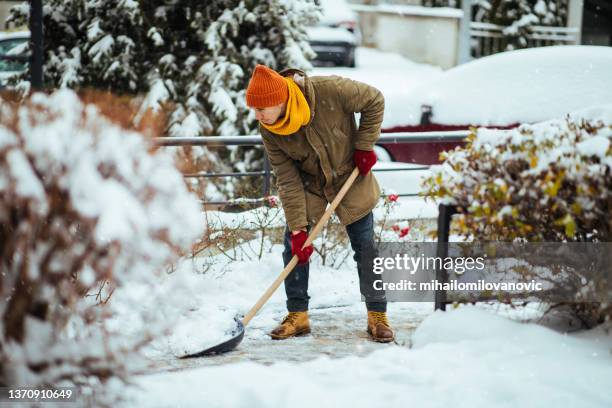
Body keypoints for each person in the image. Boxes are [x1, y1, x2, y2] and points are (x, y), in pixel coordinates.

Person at [245, 64, 394, 343]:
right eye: (254, 109)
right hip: (309, 185)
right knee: (294, 245)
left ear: (280, 100)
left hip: (350, 175)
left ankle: (377, 314)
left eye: (261, 108)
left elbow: (375, 99)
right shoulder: (270, 129)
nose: (258, 115)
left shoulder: (328, 91)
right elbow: (287, 179)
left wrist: (364, 146)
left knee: (366, 247)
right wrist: (300, 228)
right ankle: (297, 315)